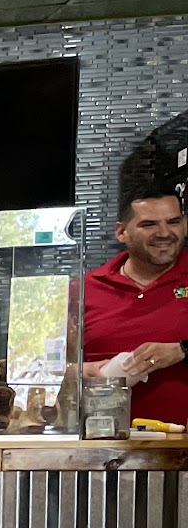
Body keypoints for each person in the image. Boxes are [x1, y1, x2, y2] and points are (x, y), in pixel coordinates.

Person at [81, 148, 188, 423]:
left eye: (174, 222)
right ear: (122, 232)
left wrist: (181, 350)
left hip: (180, 445)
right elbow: (38, 366)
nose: (165, 233)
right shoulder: (83, 290)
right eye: (149, 224)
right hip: (102, 442)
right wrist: (82, 371)